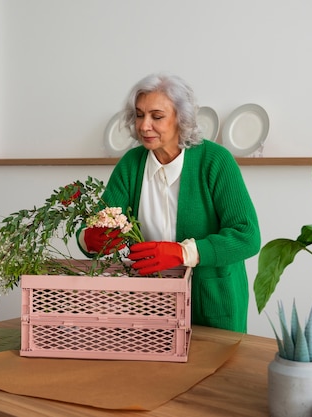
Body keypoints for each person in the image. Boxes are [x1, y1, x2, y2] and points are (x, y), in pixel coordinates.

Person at [80, 73, 260, 333]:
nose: (144, 126)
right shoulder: (131, 165)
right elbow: (95, 226)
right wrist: (89, 239)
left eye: (157, 116)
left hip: (212, 307)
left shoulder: (216, 161)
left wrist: (182, 253)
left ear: (181, 118)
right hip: (149, 309)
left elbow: (248, 236)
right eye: (140, 115)